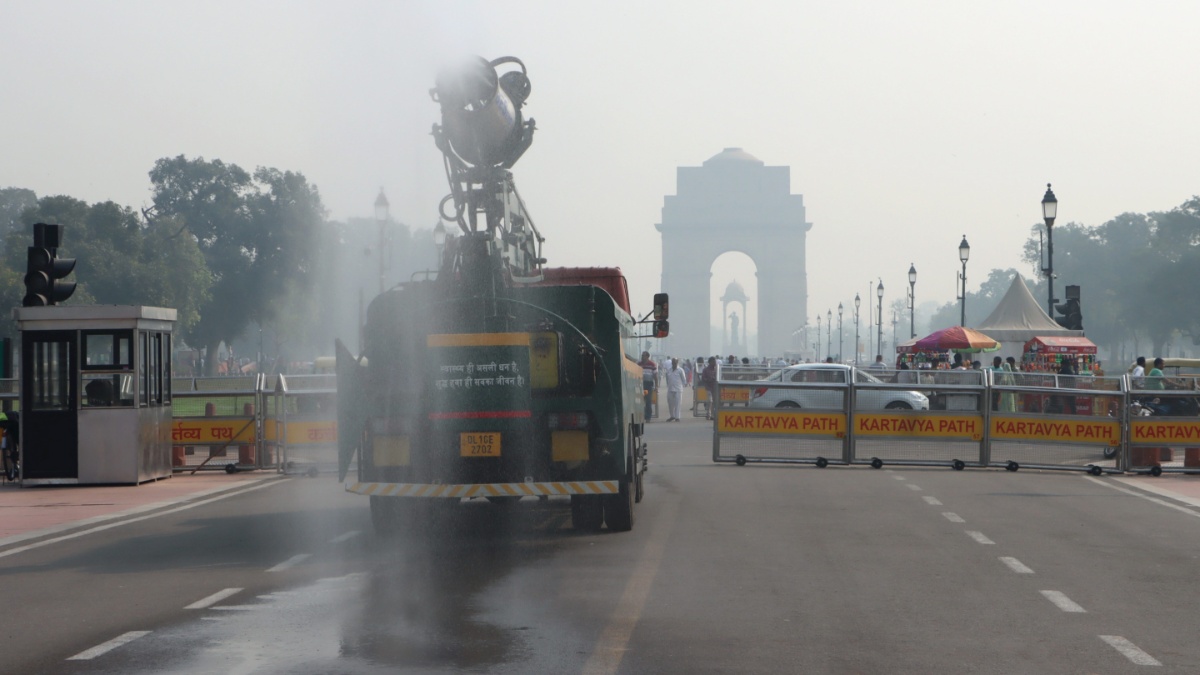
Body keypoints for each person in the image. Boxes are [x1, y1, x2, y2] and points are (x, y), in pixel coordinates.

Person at [639, 351, 658, 420]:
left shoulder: (652, 364)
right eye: (642, 355)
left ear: (647, 357)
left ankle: (648, 417)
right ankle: (642, 415)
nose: (642, 357)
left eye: (643, 355)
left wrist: (656, 386)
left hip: (648, 385)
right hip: (640, 384)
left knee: (648, 401)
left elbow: (655, 376)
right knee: (640, 400)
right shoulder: (639, 364)